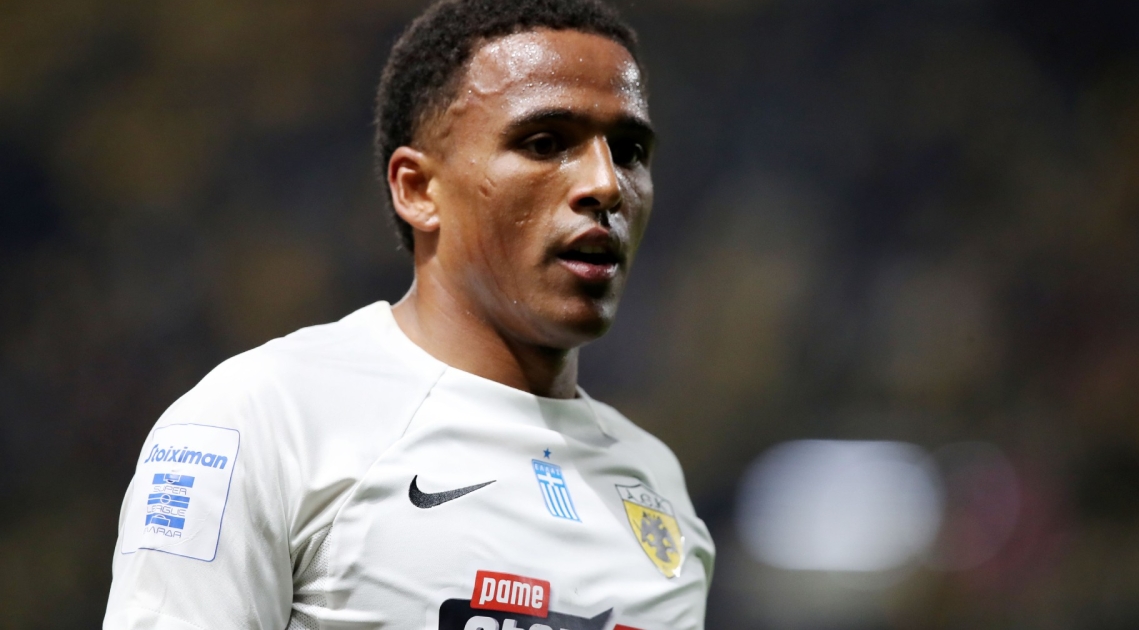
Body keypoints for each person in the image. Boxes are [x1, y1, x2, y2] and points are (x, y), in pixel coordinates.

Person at [104, 0, 714, 628]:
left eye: (629, 150)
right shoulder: (262, 423)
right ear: (418, 189)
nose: (607, 185)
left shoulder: (656, 487)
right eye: (544, 143)